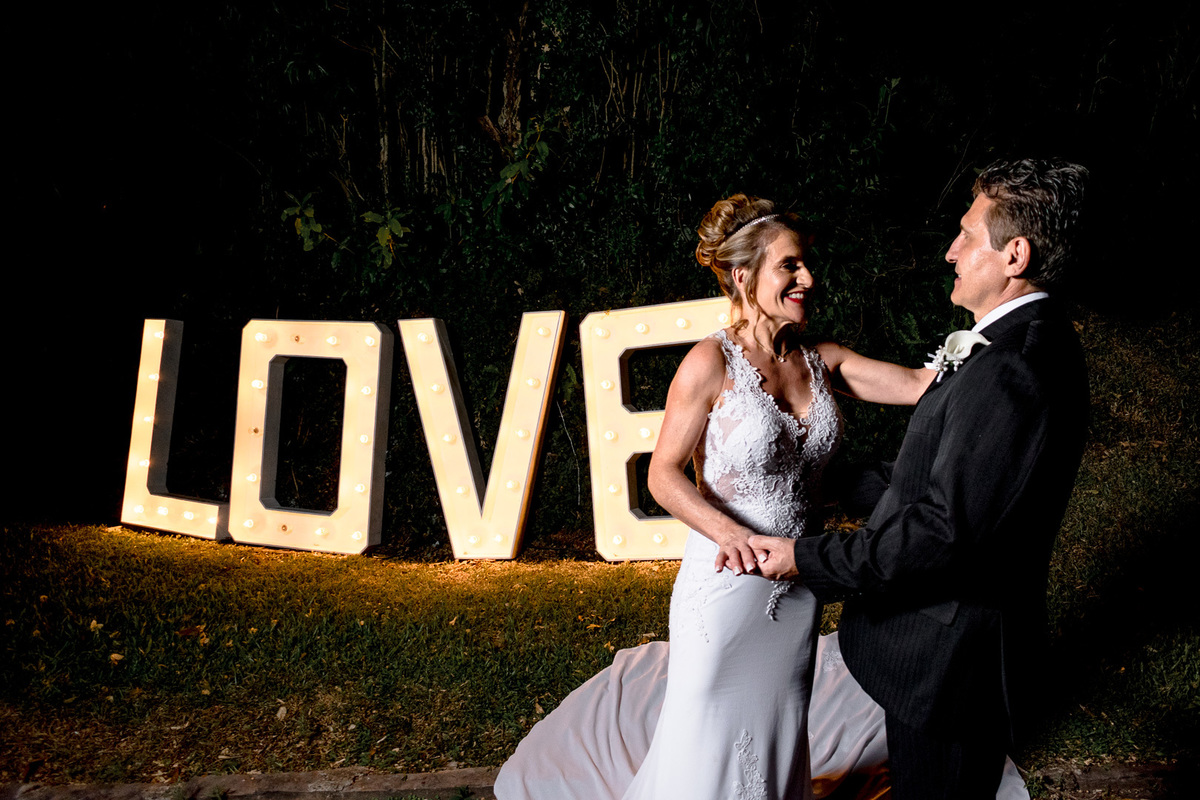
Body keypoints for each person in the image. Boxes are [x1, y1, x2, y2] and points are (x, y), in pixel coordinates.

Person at [497, 194, 934, 800]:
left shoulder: (823, 361)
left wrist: (993, 343)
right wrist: (734, 536)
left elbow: (919, 387)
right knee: (706, 735)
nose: (808, 278)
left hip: (796, 589)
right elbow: (663, 474)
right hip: (725, 588)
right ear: (743, 276)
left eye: (805, 264)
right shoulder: (709, 362)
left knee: (780, 727)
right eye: (790, 266)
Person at [751, 158, 1091, 799]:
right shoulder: (1022, 342)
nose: (949, 251)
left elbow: (942, 530)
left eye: (967, 234)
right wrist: (832, 481)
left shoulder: (1013, 367)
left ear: (1015, 255)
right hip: (951, 660)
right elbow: (936, 481)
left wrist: (804, 557)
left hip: (951, 669)